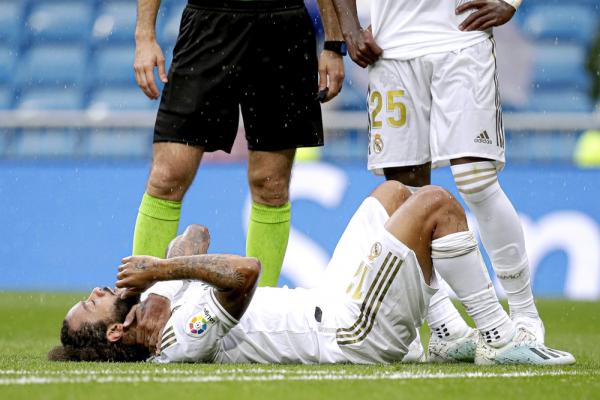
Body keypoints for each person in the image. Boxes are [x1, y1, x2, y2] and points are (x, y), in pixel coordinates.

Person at [48, 182, 574, 365]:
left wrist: (161, 273)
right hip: (349, 334)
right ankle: (499, 336)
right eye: (91, 302)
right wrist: (164, 269)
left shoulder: (156, 300)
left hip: (329, 297)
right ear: (116, 331)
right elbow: (245, 271)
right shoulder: (178, 341)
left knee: (393, 193)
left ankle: (443, 333)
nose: (95, 291)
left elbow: (198, 236)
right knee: (436, 204)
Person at [330, 0, 545, 361]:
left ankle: (524, 314)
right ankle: (443, 326)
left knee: (476, 179)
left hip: (461, 39)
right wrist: (349, 28)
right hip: (390, 48)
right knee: (407, 197)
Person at [131, 0, 346, 287]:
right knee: (167, 175)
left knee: (271, 185)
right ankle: (138, 300)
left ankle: (260, 310)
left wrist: (333, 45)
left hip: (283, 25)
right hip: (208, 22)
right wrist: (145, 36)